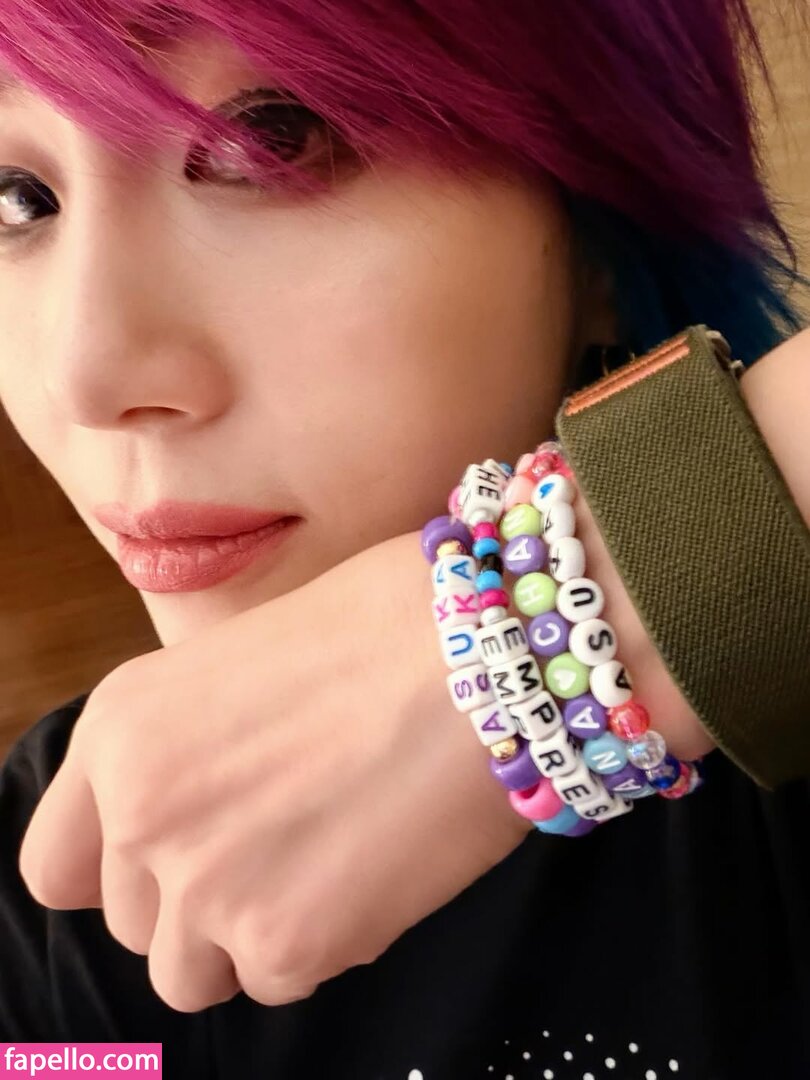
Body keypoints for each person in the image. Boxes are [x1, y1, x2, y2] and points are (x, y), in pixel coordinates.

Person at [0, 2, 809, 1077]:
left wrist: (535, 629)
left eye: (272, 140)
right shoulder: (57, 885)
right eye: (17, 197)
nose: (86, 373)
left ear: (598, 237)